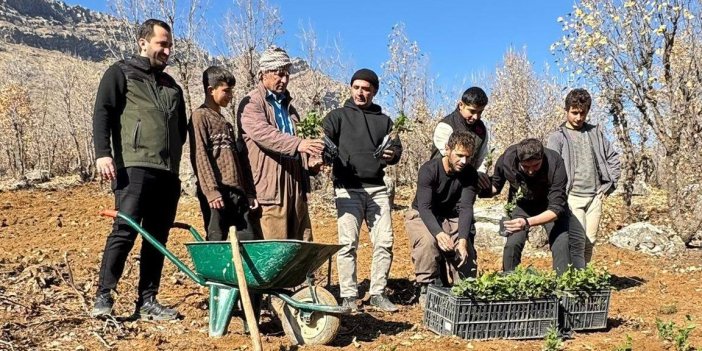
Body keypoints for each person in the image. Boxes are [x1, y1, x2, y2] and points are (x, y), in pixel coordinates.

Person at [91, 19, 186, 320]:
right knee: (125, 230)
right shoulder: (121, 73)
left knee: (157, 237)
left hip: (167, 173)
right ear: (143, 42)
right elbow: (101, 113)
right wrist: (103, 154)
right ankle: (104, 296)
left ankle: (148, 300)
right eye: (162, 44)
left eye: (169, 45)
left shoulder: (172, 86)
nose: (167, 50)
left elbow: (181, 129)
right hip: (133, 167)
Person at [322, 68, 403, 312]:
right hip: (347, 188)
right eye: (356, 87)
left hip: (377, 188)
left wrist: (391, 154)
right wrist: (326, 154)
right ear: (350, 88)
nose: (361, 92)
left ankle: (377, 293)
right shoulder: (337, 116)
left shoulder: (384, 120)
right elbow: (322, 143)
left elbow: (396, 149)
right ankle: (348, 295)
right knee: (348, 244)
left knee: (384, 242)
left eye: (366, 89)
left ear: (374, 92)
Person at [237, 46, 323, 240]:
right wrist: (299, 144)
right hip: (270, 187)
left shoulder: (290, 109)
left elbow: (299, 147)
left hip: (296, 185)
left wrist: (311, 163)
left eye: (287, 75)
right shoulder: (251, 103)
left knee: (302, 242)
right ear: (264, 73)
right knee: (276, 247)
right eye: (279, 74)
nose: (284, 80)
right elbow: (264, 134)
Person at [405, 131, 479, 305]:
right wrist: (438, 233)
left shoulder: (470, 174)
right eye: (459, 155)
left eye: (468, 157)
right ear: (447, 149)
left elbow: (466, 208)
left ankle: (464, 288)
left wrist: (461, 239)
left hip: (452, 214)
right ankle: (426, 285)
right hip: (423, 213)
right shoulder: (429, 169)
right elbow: (424, 207)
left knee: (464, 248)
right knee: (428, 241)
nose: (463, 161)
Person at [547, 88, 620, 263]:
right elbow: (551, 168)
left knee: (590, 241)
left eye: (582, 113)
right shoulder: (557, 138)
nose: (578, 118)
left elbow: (613, 158)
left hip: (595, 196)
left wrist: (610, 185)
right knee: (577, 242)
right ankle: (577, 284)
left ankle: (582, 278)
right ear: (566, 110)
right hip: (572, 197)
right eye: (574, 113)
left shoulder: (595, 133)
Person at [189, 66, 259, 242]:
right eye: (226, 91)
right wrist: (211, 191)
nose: (230, 95)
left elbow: (240, 161)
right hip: (217, 193)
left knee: (248, 239)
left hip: (237, 192)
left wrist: (248, 192)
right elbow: (200, 155)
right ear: (210, 90)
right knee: (216, 240)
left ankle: (242, 271)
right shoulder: (200, 116)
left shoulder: (225, 122)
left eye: (231, 91)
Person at [486, 138, 571, 275]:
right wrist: (477, 184)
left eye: (536, 166)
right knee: (513, 244)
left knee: (562, 242)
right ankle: (510, 282)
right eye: (525, 167)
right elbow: (495, 186)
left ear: (542, 158)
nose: (531, 171)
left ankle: (563, 287)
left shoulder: (555, 162)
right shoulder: (507, 159)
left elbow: (556, 209)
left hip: (549, 205)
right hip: (521, 205)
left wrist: (526, 222)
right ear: (518, 161)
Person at [430, 87, 492, 191]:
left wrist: (480, 173)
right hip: (440, 184)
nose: (476, 117)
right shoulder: (445, 126)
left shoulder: (482, 130)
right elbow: (449, 157)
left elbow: (483, 155)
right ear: (461, 105)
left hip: (466, 186)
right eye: (472, 111)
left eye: (480, 112)